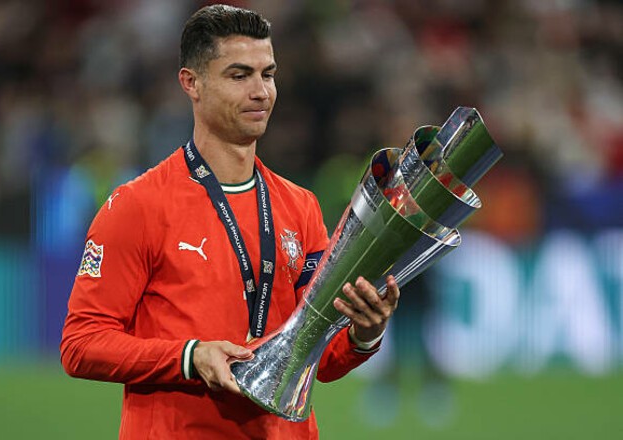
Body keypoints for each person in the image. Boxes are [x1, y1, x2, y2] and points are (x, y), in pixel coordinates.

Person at [60, 4, 400, 439]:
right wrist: (189, 357)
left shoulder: (300, 206)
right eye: (239, 76)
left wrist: (364, 332)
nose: (260, 92)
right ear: (192, 83)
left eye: (268, 74)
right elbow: (81, 344)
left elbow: (324, 359)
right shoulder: (137, 205)